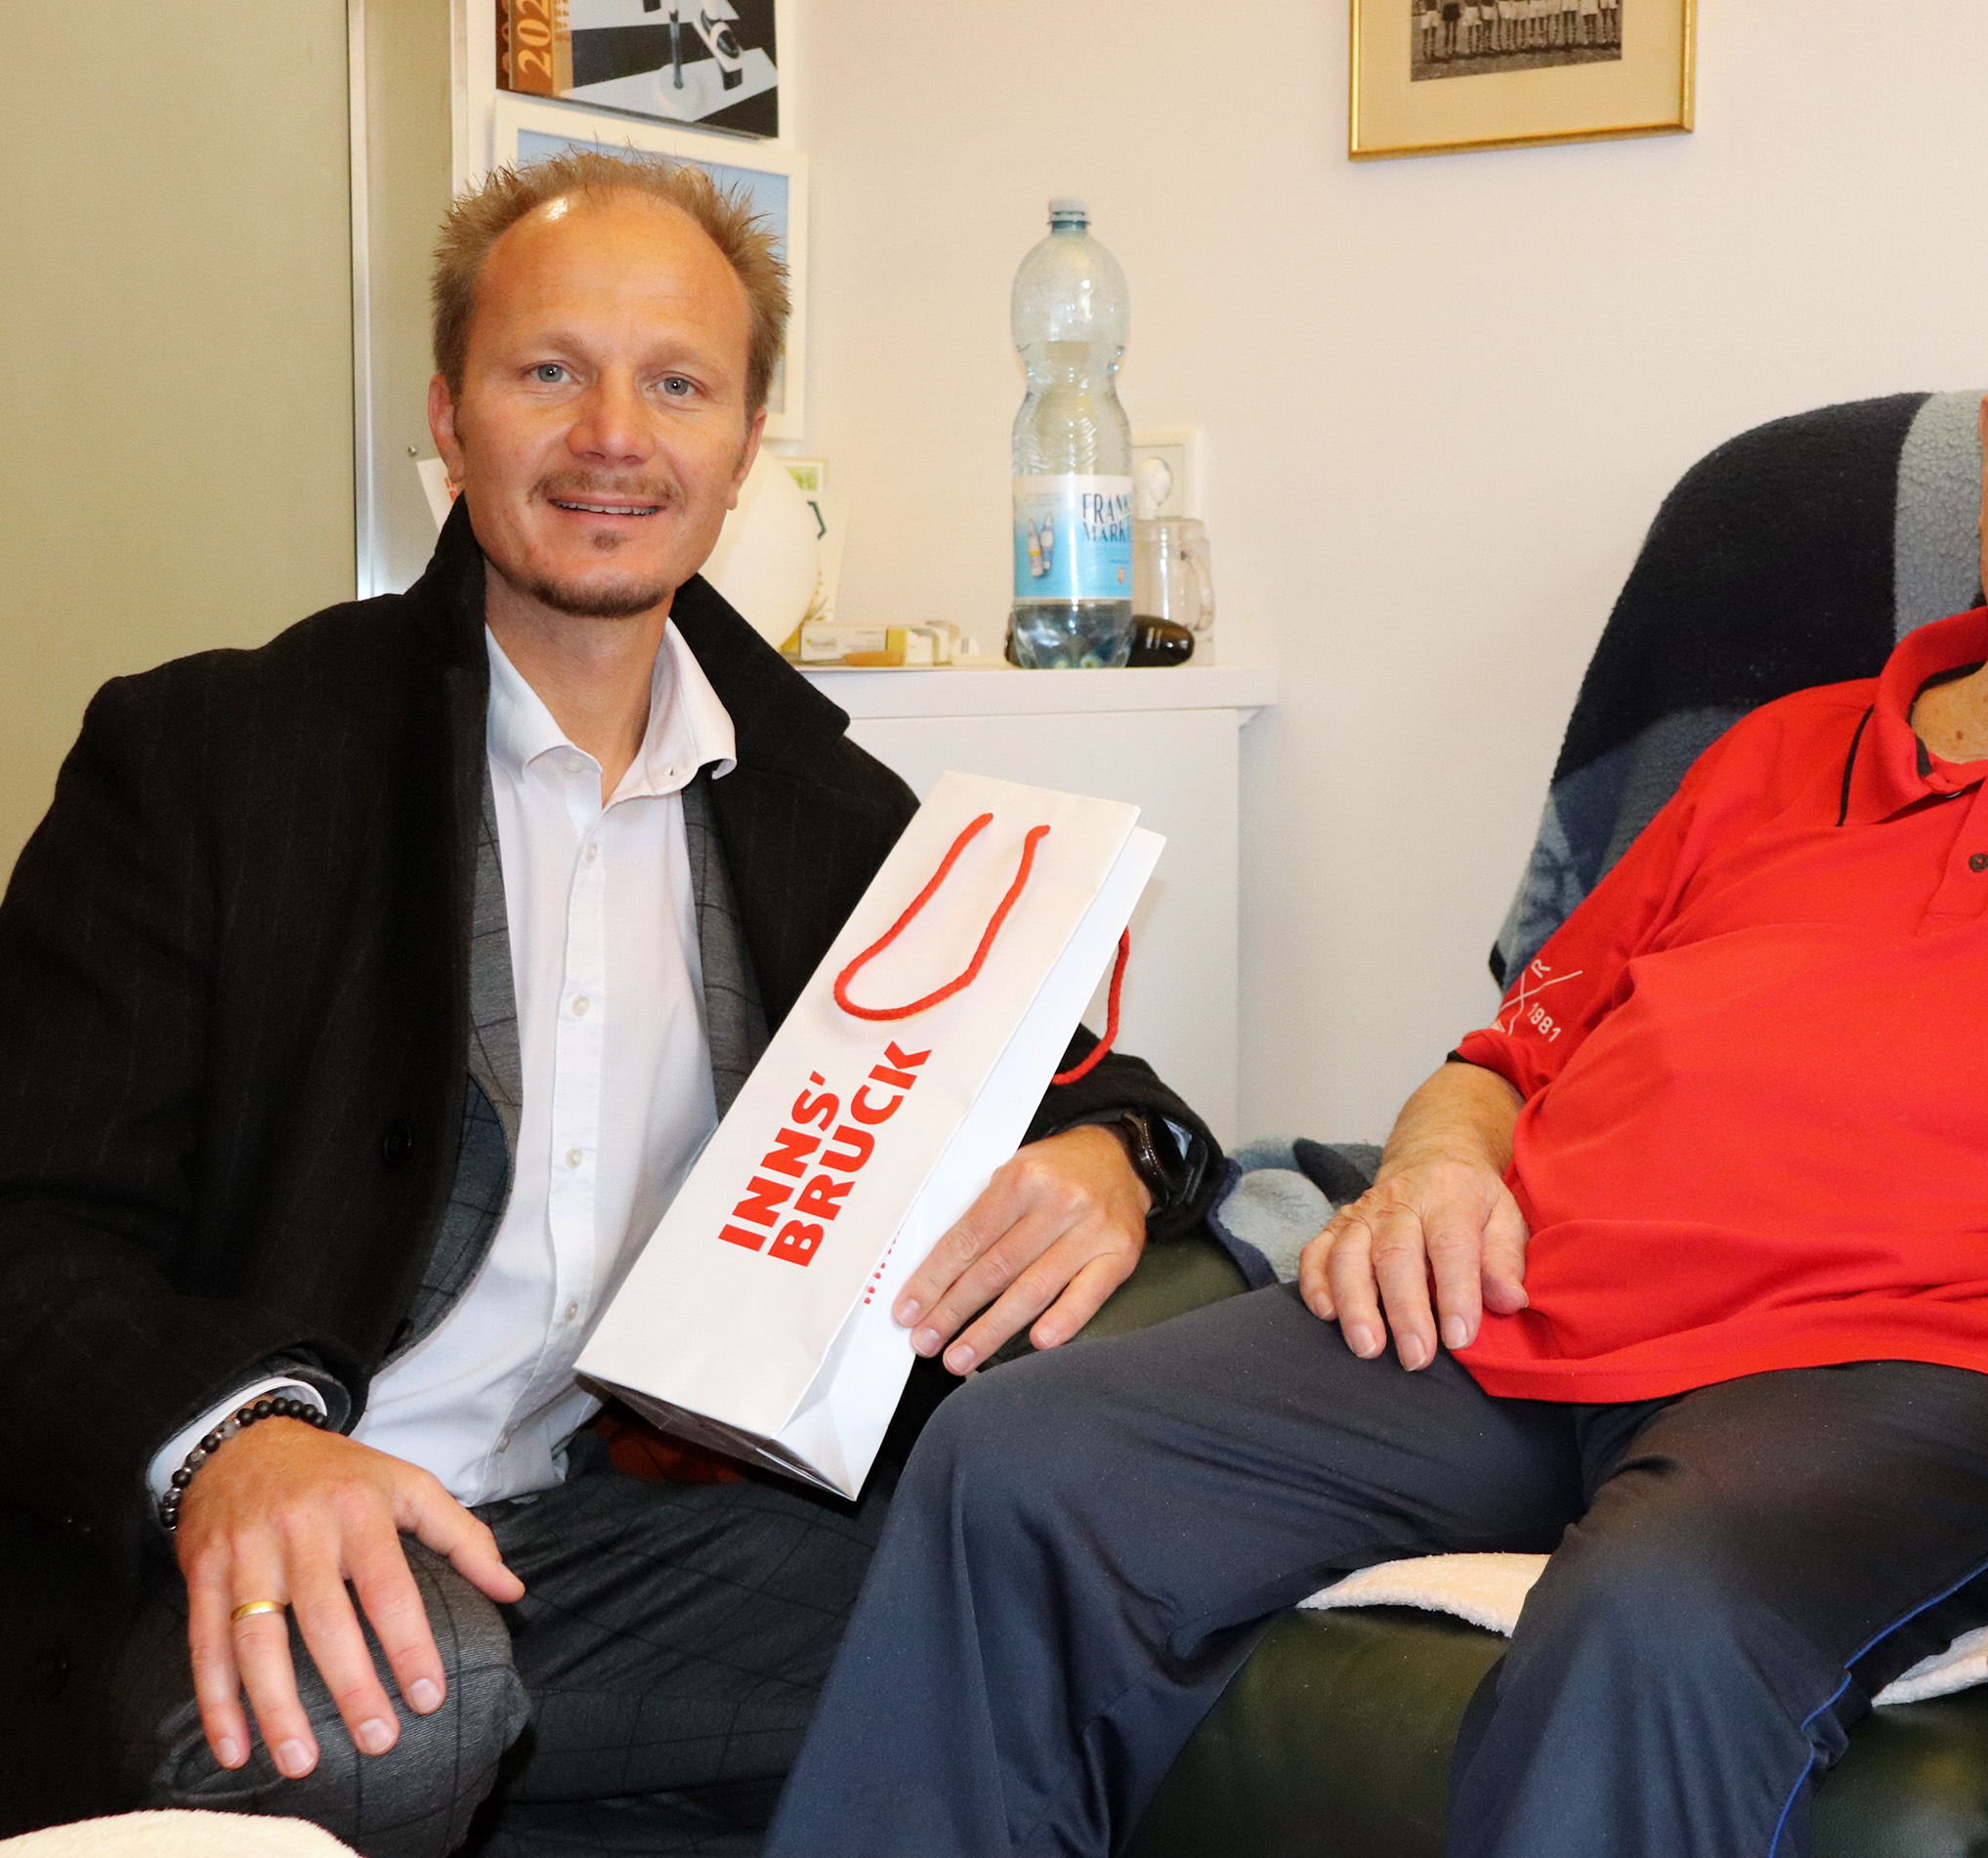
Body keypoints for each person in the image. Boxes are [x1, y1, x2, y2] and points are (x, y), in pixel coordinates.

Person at [764, 261, 1988, 1858]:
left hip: (1923, 1375)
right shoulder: (1773, 748)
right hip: (1521, 1308)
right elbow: (1499, 1051)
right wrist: (1439, 1164)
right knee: (1027, 1461)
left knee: (1662, 1617)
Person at [0, 150, 1222, 1856]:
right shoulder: (209, 761)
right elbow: (28, 1224)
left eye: (678, 384)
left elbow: (1098, 1082)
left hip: (588, 1548)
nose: (613, 438)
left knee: (1063, 1602)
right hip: (242, 1549)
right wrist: (237, 1445)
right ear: (449, 412)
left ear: (742, 449)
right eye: (548, 370)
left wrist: (1111, 1156)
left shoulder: (821, 812)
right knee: (403, 1715)